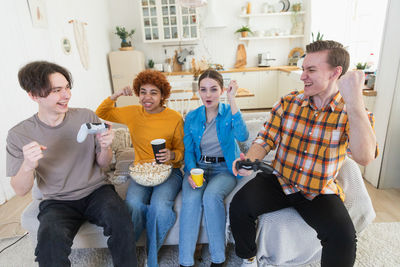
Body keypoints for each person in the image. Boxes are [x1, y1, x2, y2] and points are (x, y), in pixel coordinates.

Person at [229, 40, 378, 267]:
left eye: (311, 70)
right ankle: (248, 258)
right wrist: (250, 160)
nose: (302, 76)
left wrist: (355, 101)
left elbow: (365, 157)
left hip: (318, 189)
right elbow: (265, 138)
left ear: (335, 72)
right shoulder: (288, 102)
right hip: (280, 179)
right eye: (303, 69)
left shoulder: (352, 112)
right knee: (240, 206)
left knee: (343, 238)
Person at [6, 61, 137, 267]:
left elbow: (103, 163)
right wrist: (28, 165)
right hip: (57, 201)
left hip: (97, 190)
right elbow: (21, 190)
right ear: (33, 95)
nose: (66, 95)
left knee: (122, 224)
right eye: (57, 90)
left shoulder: (85, 116)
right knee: (49, 246)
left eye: (67, 87)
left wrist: (105, 147)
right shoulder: (19, 134)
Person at [96, 69, 184, 267]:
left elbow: (182, 151)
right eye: (143, 92)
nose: (147, 97)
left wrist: (172, 155)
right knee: (133, 205)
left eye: (154, 92)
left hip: (169, 171)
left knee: (160, 208)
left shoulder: (175, 118)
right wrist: (116, 95)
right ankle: (128, 251)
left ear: (163, 96)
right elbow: (101, 113)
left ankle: (150, 257)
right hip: (142, 172)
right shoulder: (133, 113)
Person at [179, 69, 249, 267]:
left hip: (224, 169)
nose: (208, 95)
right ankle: (185, 262)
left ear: (221, 90)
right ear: (198, 92)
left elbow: (243, 136)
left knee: (211, 197)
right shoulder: (191, 117)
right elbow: (189, 150)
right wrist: (191, 172)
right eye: (203, 90)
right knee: (191, 200)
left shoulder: (228, 112)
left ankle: (218, 259)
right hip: (199, 168)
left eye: (213, 89)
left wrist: (232, 99)